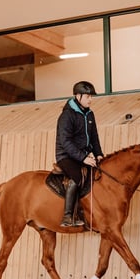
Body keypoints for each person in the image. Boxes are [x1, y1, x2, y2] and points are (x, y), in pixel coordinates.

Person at [55, 80, 104, 227]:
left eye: (91, 96)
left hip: (84, 155)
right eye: (88, 96)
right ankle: (68, 216)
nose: (91, 99)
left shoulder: (90, 115)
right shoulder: (67, 116)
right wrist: (83, 158)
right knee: (77, 177)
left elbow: (94, 137)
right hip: (66, 156)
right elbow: (65, 142)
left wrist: (99, 154)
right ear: (78, 96)